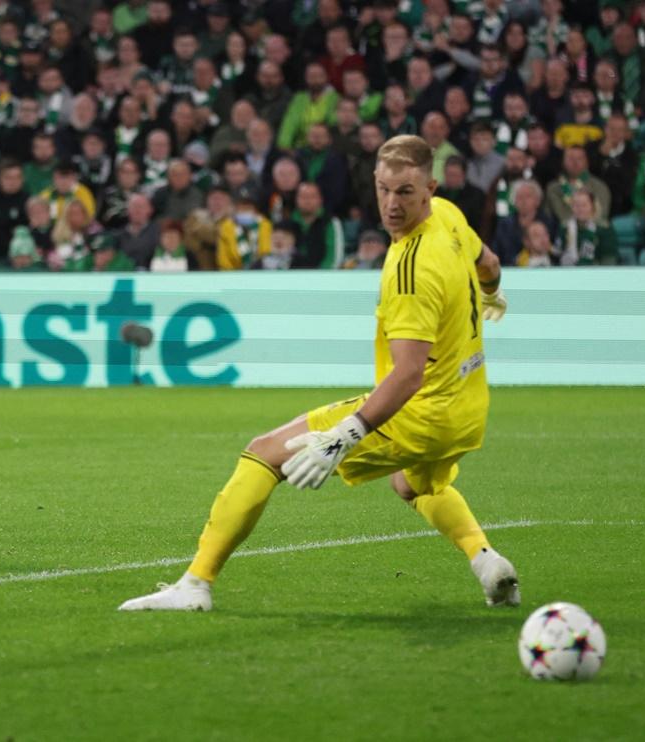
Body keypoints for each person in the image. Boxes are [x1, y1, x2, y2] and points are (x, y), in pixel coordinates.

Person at [119, 134, 518, 612]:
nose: (392, 204)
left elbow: (408, 374)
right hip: (469, 406)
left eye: (406, 192)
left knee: (264, 453)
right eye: (384, 189)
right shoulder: (450, 217)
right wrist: (490, 294)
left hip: (422, 410)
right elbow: (489, 264)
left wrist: (345, 434)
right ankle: (486, 561)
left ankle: (195, 584)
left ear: (430, 187)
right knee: (410, 483)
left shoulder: (410, 268)